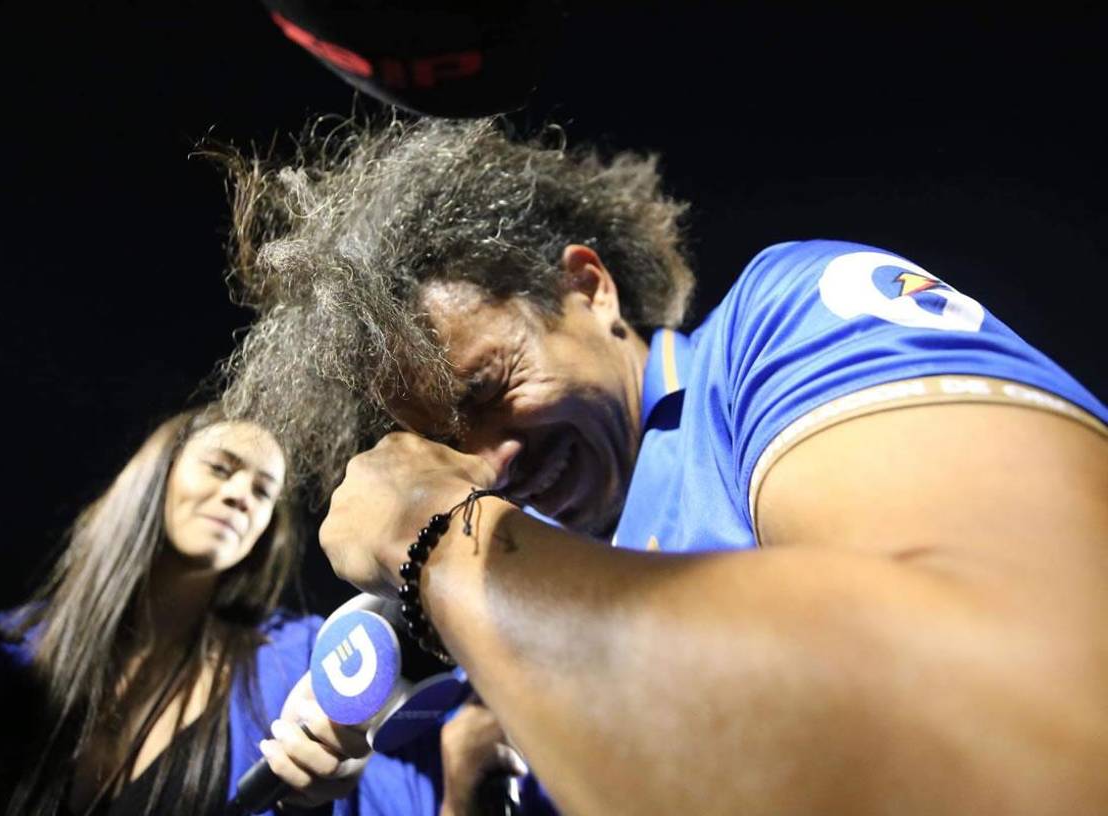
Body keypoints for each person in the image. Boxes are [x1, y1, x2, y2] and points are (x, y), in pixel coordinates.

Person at [218, 116, 1108, 814]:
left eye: (491, 387)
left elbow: (1035, 706)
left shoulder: (778, 332)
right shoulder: (484, 654)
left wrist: (433, 534)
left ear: (589, 289)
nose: (486, 464)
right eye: (444, 449)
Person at [0, 406, 371, 815]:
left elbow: (367, 755)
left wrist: (335, 760)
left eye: (263, 491)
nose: (240, 494)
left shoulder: (293, 659)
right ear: (157, 474)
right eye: (221, 468)